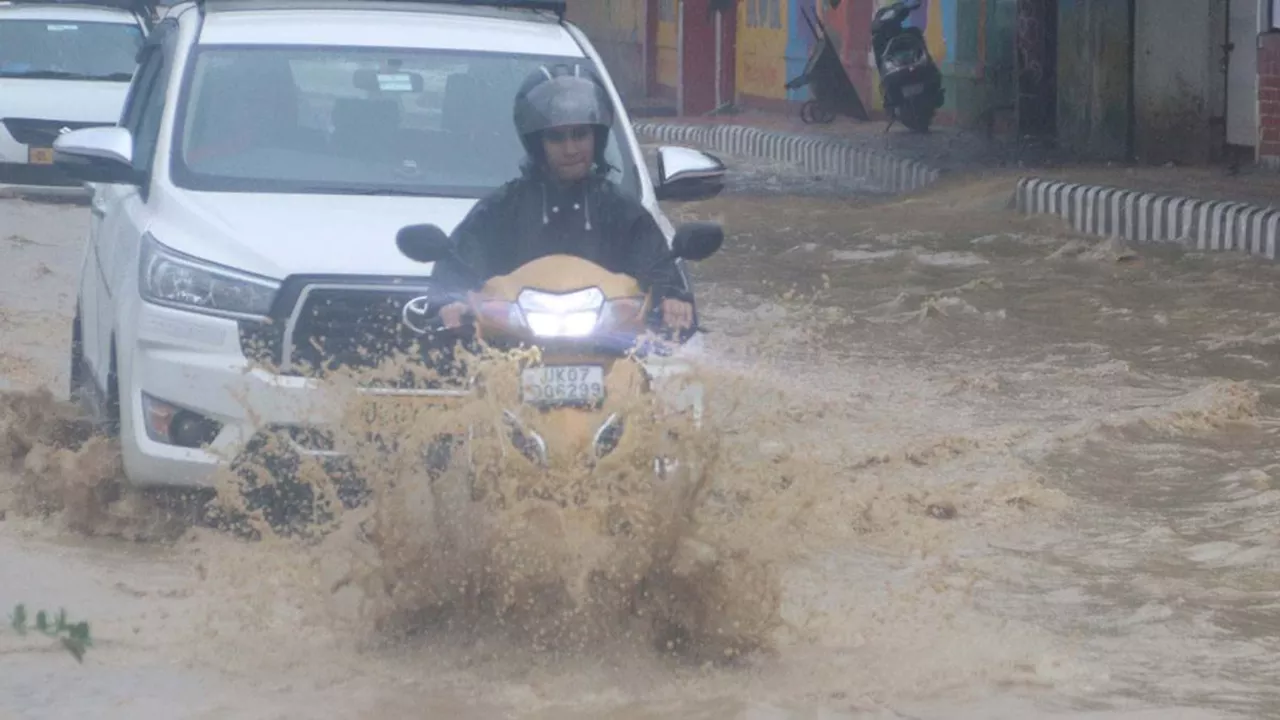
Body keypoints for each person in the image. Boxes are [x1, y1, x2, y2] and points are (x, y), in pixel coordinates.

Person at [438, 63, 695, 332]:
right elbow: (461, 261)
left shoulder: (624, 212)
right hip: (514, 345)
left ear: (597, 138)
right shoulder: (500, 209)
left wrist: (673, 299)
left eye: (580, 134)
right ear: (538, 144)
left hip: (608, 347)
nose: (571, 148)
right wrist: (450, 301)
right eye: (557, 138)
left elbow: (656, 266)